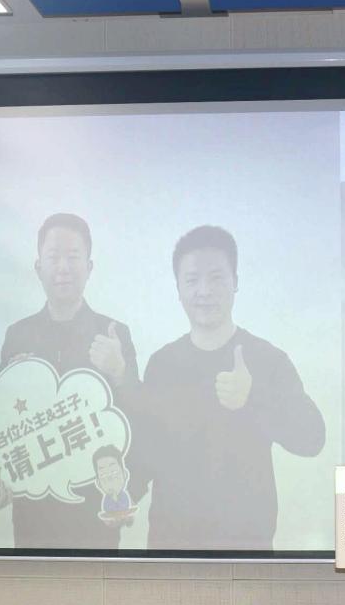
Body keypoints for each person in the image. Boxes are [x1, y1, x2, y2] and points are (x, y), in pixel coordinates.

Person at [136, 225, 326, 551]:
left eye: (216, 278)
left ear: (235, 281)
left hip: (247, 555)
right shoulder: (161, 364)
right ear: (178, 289)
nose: (204, 291)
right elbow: (147, 451)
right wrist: (120, 493)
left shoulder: (267, 359)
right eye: (192, 280)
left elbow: (312, 438)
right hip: (170, 554)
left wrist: (253, 396)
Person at [0, 213, 140, 549]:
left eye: (73, 257)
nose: (63, 267)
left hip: (96, 512)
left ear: (89, 267)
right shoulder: (18, 335)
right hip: (33, 511)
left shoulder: (114, 334)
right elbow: (0, 424)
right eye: (53, 257)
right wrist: (12, 388)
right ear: (38, 268)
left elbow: (139, 417)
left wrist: (120, 372)